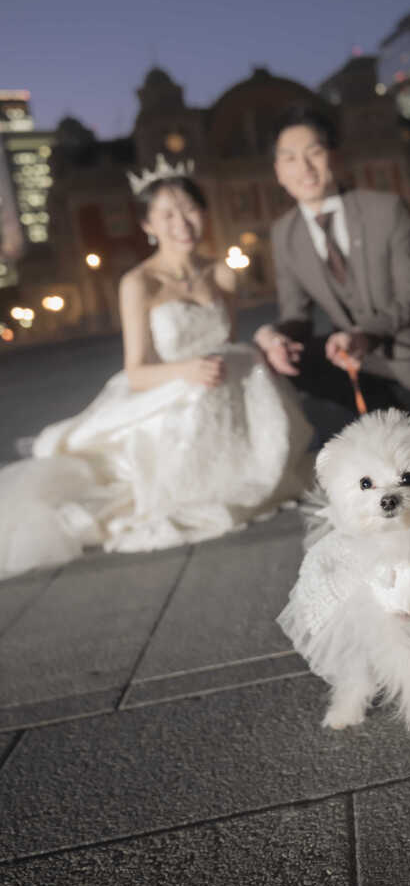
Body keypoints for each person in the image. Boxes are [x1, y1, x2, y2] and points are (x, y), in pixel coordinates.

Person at [0, 157, 312, 580]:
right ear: (148, 224)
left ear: (203, 213)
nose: (181, 222)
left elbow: (228, 341)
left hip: (223, 388)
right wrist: (185, 370)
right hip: (170, 388)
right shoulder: (139, 282)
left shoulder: (221, 274)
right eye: (167, 214)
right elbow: (137, 371)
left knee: (244, 363)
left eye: (189, 209)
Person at [254, 107, 410, 432]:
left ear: (335, 157)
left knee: (409, 334)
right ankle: (385, 410)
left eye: (314, 153)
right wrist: (273, 337)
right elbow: (297, 315)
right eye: (290, 159)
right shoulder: (284, 232)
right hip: (351, 347)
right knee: (289, 357)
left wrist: (364, 334)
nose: (304, 168)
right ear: (278, 171)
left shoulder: (386, 210)